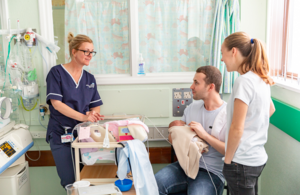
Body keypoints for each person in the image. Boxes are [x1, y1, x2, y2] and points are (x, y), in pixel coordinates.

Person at [155, 66, 227, 195]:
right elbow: (174, 137)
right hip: (184, 166)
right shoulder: (192, 108)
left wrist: (204, 135)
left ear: (211, 87)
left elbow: (230, 151)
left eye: (196, 83)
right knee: (154, 185)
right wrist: (176, 134)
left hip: (211, 173)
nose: (191, 86)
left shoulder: (227, 114)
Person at [46, 32, 104, 188]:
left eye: (92, 52)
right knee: (70, 181)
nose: (90, 55)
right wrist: (84, 117)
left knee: (86, 179)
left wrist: (93, 114)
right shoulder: (56, 73)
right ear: (73, 51)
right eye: (86, 51)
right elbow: (56, 104)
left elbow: (95, 104)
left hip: (83, 136)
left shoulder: (90, 79)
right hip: (61, 135)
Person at [221, 32, 276, 195]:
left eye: (222, 53)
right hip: (256, 157)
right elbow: (270, 110)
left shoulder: (243, 81)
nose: (222, 59)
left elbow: (237, 129)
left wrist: (228, 160)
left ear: (233, 51)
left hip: (241, 162)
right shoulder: (260, 78)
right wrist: (253, 129)